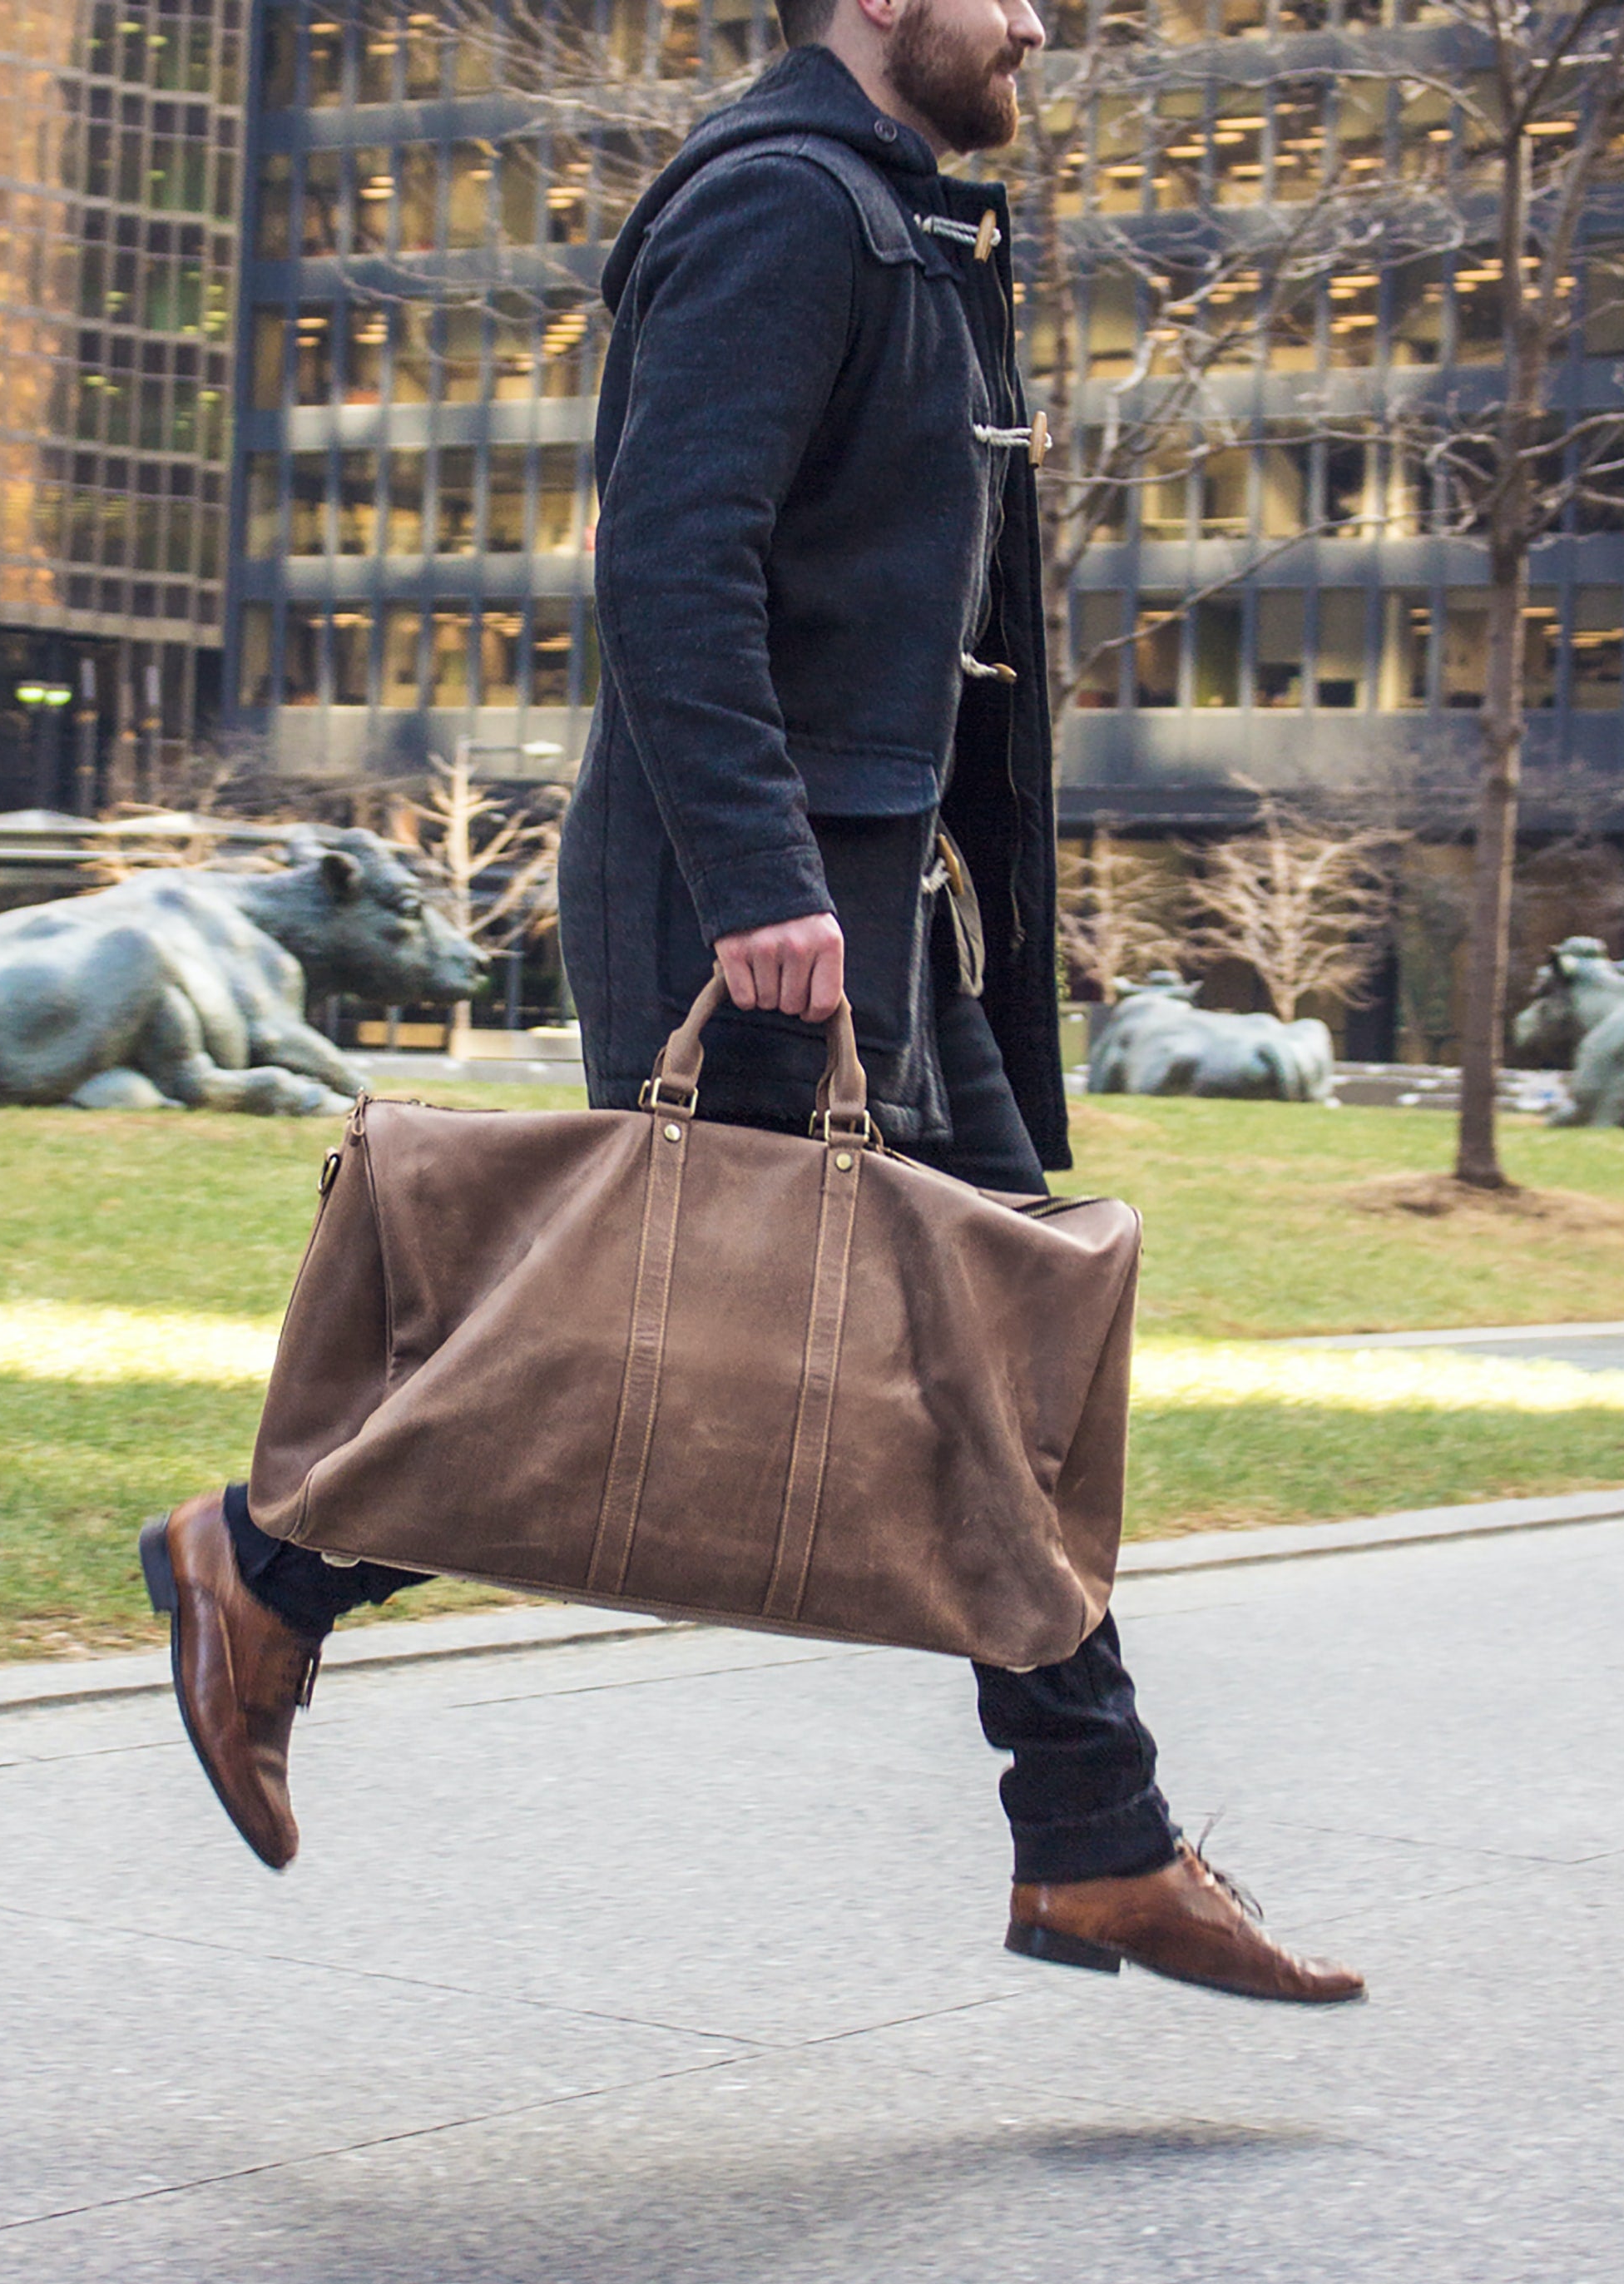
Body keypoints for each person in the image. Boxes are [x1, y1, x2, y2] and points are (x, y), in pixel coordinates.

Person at [142, 0, 1364, 2006]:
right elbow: (673, 566)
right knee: (654, 1337)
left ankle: (1097, 1838)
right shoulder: (784, 208)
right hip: (776, 896)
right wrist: (768, 886)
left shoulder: (897, 220)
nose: (1038, 23)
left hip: (888, 888)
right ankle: (262, 1566)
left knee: (994, 1351)